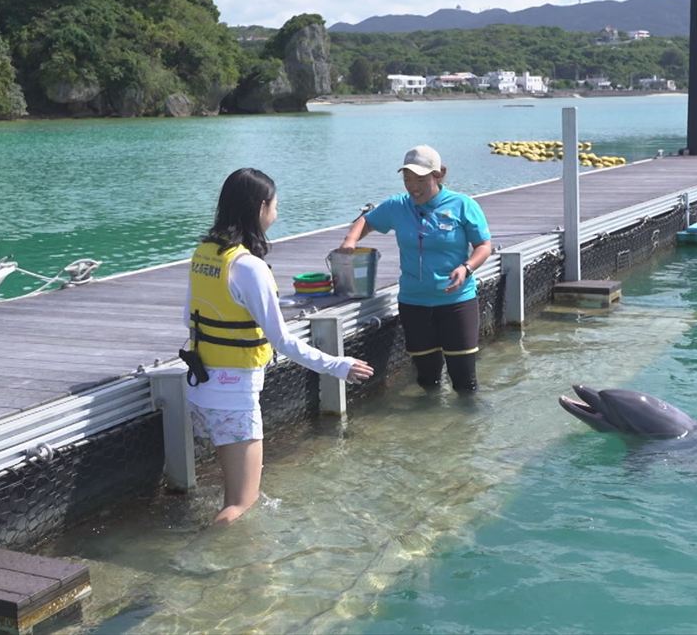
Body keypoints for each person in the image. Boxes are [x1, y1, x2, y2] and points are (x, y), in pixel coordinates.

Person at [183, 167, 374, 526]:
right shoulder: (248, 267)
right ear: (260, 207)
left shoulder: (205, 254)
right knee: (242, 503)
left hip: (201, 388)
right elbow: (282, 341)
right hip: (233, 396)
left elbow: (188, 317)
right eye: (275, 204)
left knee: (232, 493)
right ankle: (208, 555)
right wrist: (339, 365)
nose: (277, 211)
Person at [338, 145, 491, 393]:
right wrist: (350, 240)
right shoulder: (397, 205)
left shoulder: (462, 205)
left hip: (457, 301)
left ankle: (468, 417)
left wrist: (467, 267)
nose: (413, 186)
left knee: (465, 382)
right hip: (414, 303)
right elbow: (367, 220)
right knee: (427, 380)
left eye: (420, 179)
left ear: (439, 174)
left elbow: (483, 246)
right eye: (407, 179)